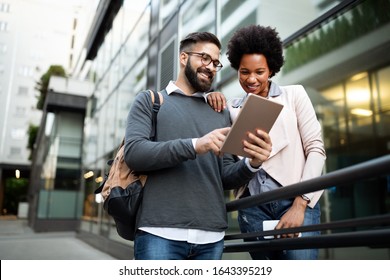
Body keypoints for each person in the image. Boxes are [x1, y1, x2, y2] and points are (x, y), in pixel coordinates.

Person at [124, 31, 272, 260]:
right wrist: (195, 145)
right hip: (159, 233)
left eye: (215, 62)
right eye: (204, 58)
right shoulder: (150, 101)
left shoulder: (220, 111)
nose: (211, 66)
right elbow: (134, 154)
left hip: (211, 238)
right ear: (184, 58)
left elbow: (225, 176)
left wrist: (253, 163)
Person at [208, 25, 326, 260]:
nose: (251, 79)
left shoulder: (295, 95)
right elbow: (227, 158)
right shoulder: (230, 108)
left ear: (271, 69)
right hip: (253, 208)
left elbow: (316, 149)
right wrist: (209, 95)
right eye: (244, 72)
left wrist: (300, 204)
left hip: (294, 200)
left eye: (259, 72)